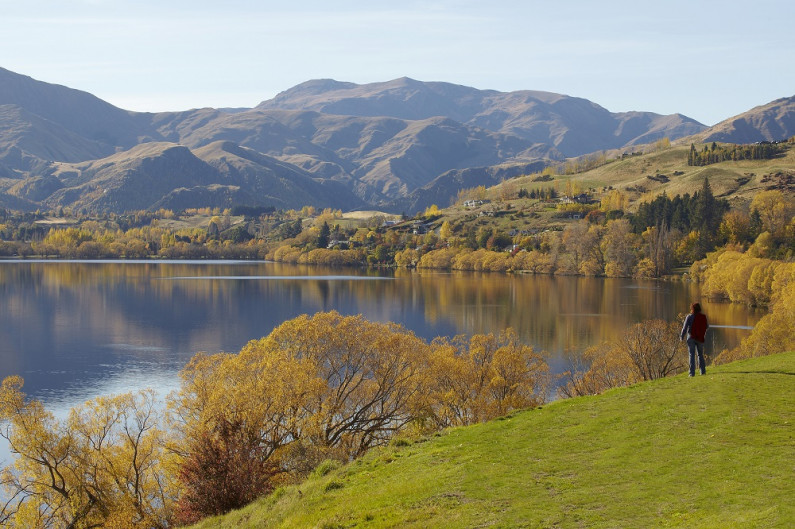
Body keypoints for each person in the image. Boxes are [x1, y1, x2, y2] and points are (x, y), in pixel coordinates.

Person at [680, 302, 709, 376]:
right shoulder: (703, 316)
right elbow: (707, 326)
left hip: (691, 337)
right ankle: (702, 372)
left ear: (692, 309)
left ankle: (691, 373)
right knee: (700, 355)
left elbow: (684, 328)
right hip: (700, 338)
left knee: (691, 355)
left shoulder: (689, 316)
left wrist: (681, 337)